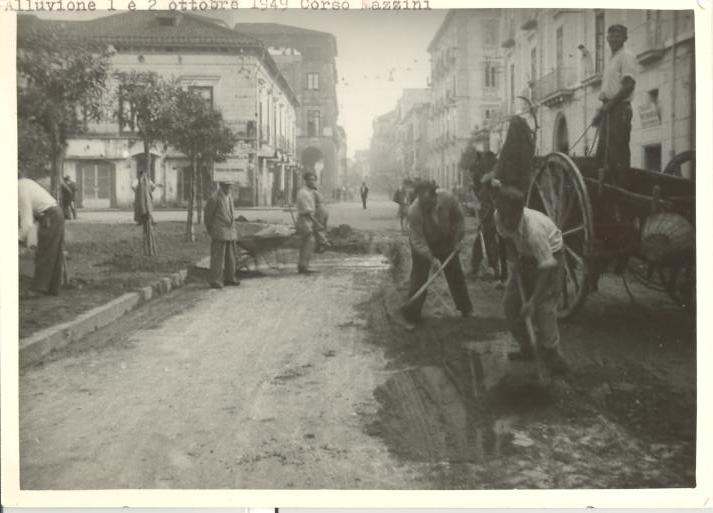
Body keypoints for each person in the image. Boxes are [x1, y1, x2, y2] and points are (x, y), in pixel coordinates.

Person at [494, 186, 569, 375]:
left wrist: (532, 301)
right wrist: (514, 260)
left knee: (544, 308)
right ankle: (527, 348)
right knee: (510, 304)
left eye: (510, 217)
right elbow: (507, 238)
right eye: (503, 216)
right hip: (525, 257)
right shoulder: (499, 215)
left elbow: (547, 267)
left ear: (520, 212)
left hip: (551, 258)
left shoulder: (534, 230)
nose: (505, 221)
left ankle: (553, 356)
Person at [400, 180, 473, 324]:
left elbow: (459, 221)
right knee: (419, 276)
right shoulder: (414, 211)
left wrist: (458, 240)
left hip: (445, 239)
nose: (425, 206)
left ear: (435, 196)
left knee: (455, 273)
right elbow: (418, 241)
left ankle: (466, 309)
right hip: (424, 242)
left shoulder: (448, 199)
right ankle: (412, 313)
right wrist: (430, 258)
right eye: (422, 202)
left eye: (428, 202)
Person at [593, 24, 636, 183]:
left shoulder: (626, 56)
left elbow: (628, 85)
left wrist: (609, 107)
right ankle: (606, 186)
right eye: (611, 36)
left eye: (617, 36)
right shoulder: (612, 59)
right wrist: (601, 112)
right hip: (609, 109)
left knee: (617, 153)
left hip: (619, 110)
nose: (613, 39)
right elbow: (609, 90)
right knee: (603, 152)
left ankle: (620, 188)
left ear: (625, 38)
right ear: (607, 39)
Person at [18, 176, 66, 296]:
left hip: (50, 216)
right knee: (53, 252)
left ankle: (38, 289)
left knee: (45, 252)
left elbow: (27, 222)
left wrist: (18, 239)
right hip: (54, 213)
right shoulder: (24, 183)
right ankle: (53, 289)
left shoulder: (20, 190)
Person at [204, 181, 240, 289]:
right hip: (219, 232)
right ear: (221, 186)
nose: (228, 188)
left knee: (231, 257)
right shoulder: (214, 198)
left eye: (229, 186)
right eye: (226, 186)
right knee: (218, 258)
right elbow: (208, 216)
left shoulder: (229, 197)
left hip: (230, 231)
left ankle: (230, 278)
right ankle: (215, 280)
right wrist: (211, 230)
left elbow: (231, 213)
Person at [295, 172, 324, 274]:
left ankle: (303, 266)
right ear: (305, 181)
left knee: (308, 244)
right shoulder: (303, 193)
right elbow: (308, 213)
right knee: (309, 243)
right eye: (310, 179)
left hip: (307, 221)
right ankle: (303, 267)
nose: (312, 181)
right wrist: (317, 223)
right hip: (304, 220)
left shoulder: (310, 192)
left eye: (313, 179)